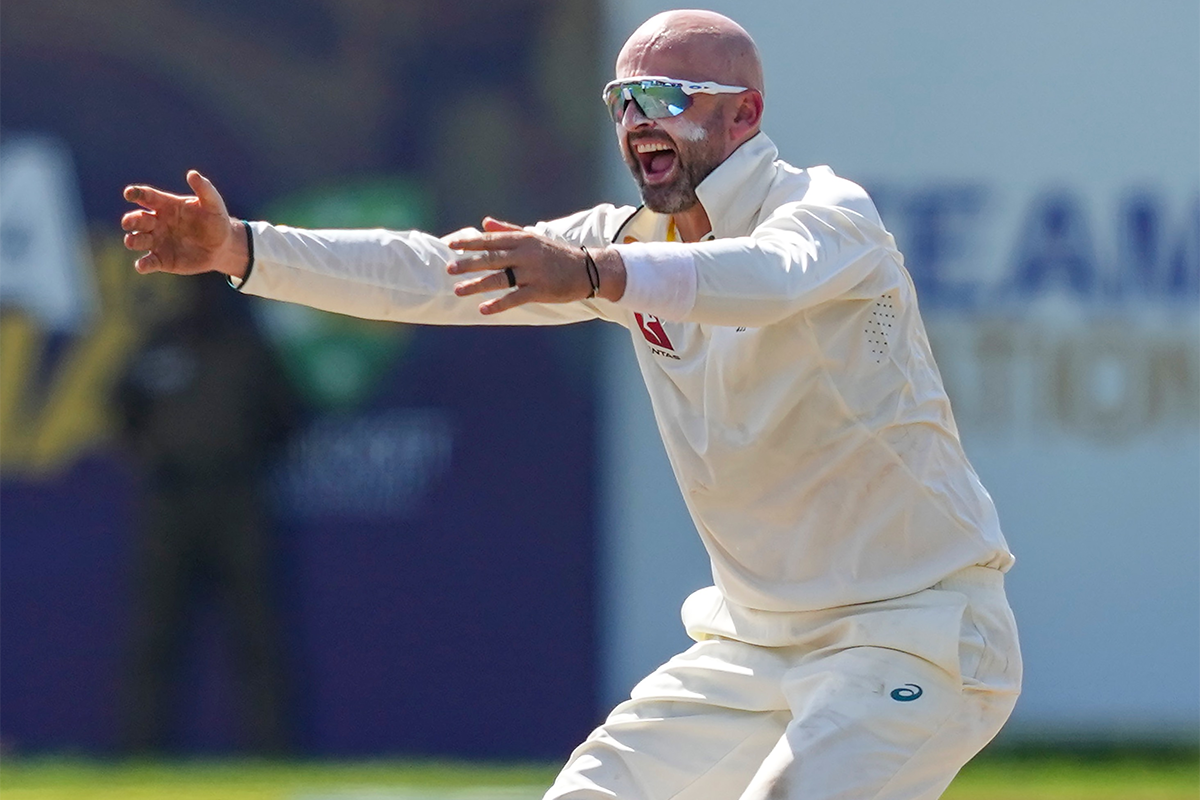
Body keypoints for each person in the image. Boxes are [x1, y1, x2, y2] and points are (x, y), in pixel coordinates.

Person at [121, 9, 1021, 799]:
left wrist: (596, 277)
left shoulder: (829, 214)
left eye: (667, 96)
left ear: (744, 113)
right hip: (756, 646)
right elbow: (432, 273)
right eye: (622, 100)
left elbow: (765, 278)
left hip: (916, 634)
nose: (637, 122)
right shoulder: (620, 240)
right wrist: (246, 248)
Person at [115, 274, 296, 754]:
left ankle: (272, 756)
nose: (199, 295)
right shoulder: (159, 343)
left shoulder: (247, 345)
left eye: (208, 284)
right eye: (191, 284)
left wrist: (241, 455)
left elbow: (286, 416)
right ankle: (139, 758)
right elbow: (121, 407)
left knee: (255, 633)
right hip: (171, 497)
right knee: (156, 633)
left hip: (234, 496)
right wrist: (154, 451)